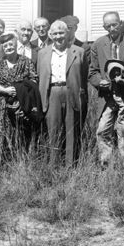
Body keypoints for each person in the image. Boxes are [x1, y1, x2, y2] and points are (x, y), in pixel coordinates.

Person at [89, 11, 124, 166]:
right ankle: (106, 165)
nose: (112, 28)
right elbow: (92, 72)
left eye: (114, 24)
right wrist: (100, 82)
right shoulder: (98, 44)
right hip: (107, 96)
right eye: (108, 26)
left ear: (120, 23)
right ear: (104, 27)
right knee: (102, 130)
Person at [36, 19, 88, 166]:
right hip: (52, 92)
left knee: (71, 129)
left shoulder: (79, 52)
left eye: (61, 33)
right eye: (55, 34)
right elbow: (40, 75)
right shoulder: (42, 53)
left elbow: (84, 75)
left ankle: (71, 166)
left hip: (71, 91)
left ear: (67, 33)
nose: (58, 37)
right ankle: (54, 164)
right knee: (53, 129)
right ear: (50, 35)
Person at [0, 32, 40, 155]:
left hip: (22, 102)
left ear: (16, 45)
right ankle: (5, 161)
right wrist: (4, 90)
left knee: (22, 131)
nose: (8, 48)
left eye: (11, 45)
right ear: (2, 48)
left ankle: (23, 159)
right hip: (3, 103)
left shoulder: (26, 61)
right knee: (4, 131)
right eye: (5, 46)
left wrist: (20, 89)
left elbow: (34, 79)